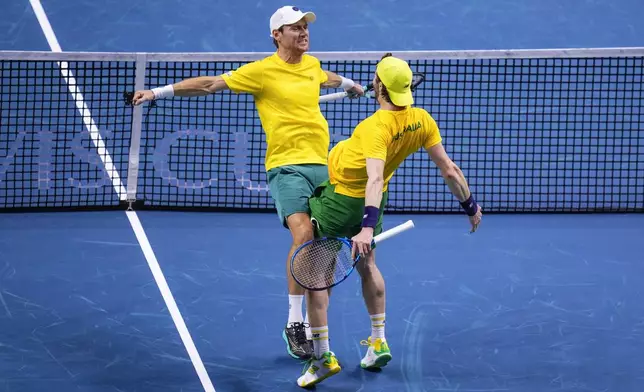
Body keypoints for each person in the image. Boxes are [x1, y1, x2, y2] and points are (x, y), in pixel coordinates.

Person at [131, 5, 364, 360]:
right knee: (302, 234)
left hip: (323, 165)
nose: (303, 32)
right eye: (295, 28)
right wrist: (157, 93)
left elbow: (325, 77)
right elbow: (210, 85)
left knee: (325, 246)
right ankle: (294, 323)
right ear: (276, 35)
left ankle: (318, 328)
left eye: (305, 27)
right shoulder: (260, 72)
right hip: (287, 168)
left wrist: (349, 85)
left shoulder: (312, 65)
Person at [295, 53, 483, 388]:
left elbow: (375, 178)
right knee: (368, 266)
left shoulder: (374, 128)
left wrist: (365, 228)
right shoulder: (422, 119)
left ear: (379, 86)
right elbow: (450, 170)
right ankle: (378, 341)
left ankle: (322, 357)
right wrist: (469, 205)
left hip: (341, 202)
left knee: (316, 278)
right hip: (374, 204)